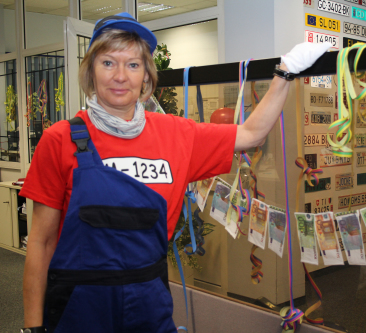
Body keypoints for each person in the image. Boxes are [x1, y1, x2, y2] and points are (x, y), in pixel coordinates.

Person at [20, 12, 330, 333]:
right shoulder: (61, 139)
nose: (121, 75)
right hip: (79, 304)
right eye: (108, 62)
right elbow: (40, 243)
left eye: (133, 64)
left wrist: (284, 73)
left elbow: (252, 134)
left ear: (146, 76)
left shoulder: (176, 134)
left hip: (148, 300)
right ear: (91, 71)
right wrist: (32, 327)